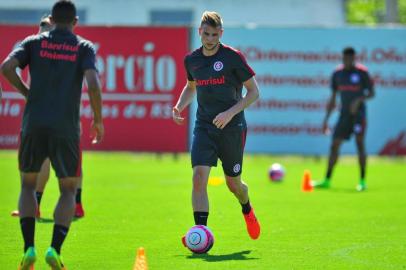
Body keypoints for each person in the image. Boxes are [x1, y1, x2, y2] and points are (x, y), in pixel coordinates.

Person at [0, 1, 104, 269]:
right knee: (68, 189)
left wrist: (27, 93)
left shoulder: (34, 42)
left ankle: (28, 249)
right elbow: (93, 83)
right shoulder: (83, 47)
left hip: (34, 123)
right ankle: (54, 250)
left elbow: (6, 67)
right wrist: (98, 119)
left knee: (26, 185)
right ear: (75, 21)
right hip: (66, 127)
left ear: (53, 19)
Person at [172, 11, 261, 246]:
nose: (210, 38)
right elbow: (191, 87)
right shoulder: (192, 60)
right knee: (198, 177)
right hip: (204, 127)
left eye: (214, 34)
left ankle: (247, 208)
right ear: (199, 32)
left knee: (234, 185)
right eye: (206, 33)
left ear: (221, 33)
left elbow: (254, 92)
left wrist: (230, 113)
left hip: (232, 128)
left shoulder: (233, 57)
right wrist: (179, 106)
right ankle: (201, 234)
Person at [10, 14, 86, 220]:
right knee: (47, 161)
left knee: (65, 161)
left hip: (57, 114)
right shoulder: (58, 47)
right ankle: (41, 204)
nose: (42, 30)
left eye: (46, 27)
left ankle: (72, 203)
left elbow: (7, 68)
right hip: (50, 113)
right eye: (41, 26)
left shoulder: (46, 47)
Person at [313, 47, 375, 191]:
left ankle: (362, 181)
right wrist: (326, 119)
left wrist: (359, 100)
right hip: (344, 115)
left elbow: (372, 93)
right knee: (335, 144)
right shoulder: (337, 74)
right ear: (342, 58)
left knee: (360, 143)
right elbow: (333, 98)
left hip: (359, 115)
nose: (347, 61)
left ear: (354, 58)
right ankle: (327, 179)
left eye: (350, 59)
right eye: (345, 59)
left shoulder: (362, 72)